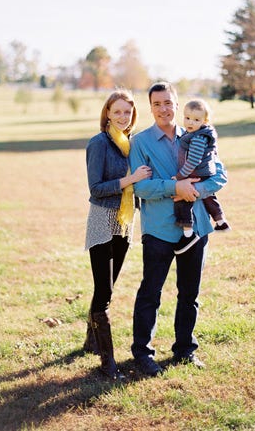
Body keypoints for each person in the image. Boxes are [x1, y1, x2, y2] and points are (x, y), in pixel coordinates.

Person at [129, 82, 228, 376]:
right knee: (151, 292)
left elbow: (220, 175)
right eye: (157, 104)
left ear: (176, 104)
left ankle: (185, 350)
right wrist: (175, 186)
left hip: (196, 227)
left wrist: (194, 191)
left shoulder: (197, 133)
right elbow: (141, 187)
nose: (163, 109)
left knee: (189, 294)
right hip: (159, 229)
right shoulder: (141, 143)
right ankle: (143, 353)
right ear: (150, 108)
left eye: (168, 103)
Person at [84, 90, 152, 379]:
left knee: (108, 285)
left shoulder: (132, 145)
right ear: (108, 113)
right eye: (118, 111)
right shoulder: (99, 143)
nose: (123, 117)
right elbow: (96, 189)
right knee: (104, 291)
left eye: (128, 112)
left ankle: (91, 341)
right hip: (102, 220)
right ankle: (107, 362)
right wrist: (131, 179)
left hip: (125, 222)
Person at [172, 98, 230, 254]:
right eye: (187, 118)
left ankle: (188, 233)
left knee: (184, 198)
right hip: (204, 172)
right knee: (209, 196)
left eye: (196, 120)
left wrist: (180, 176)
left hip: (197, 172)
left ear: (205, 121)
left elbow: (193, 161)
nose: (190, 122)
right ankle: (220, 220)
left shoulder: (198, 138)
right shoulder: (197, 133)